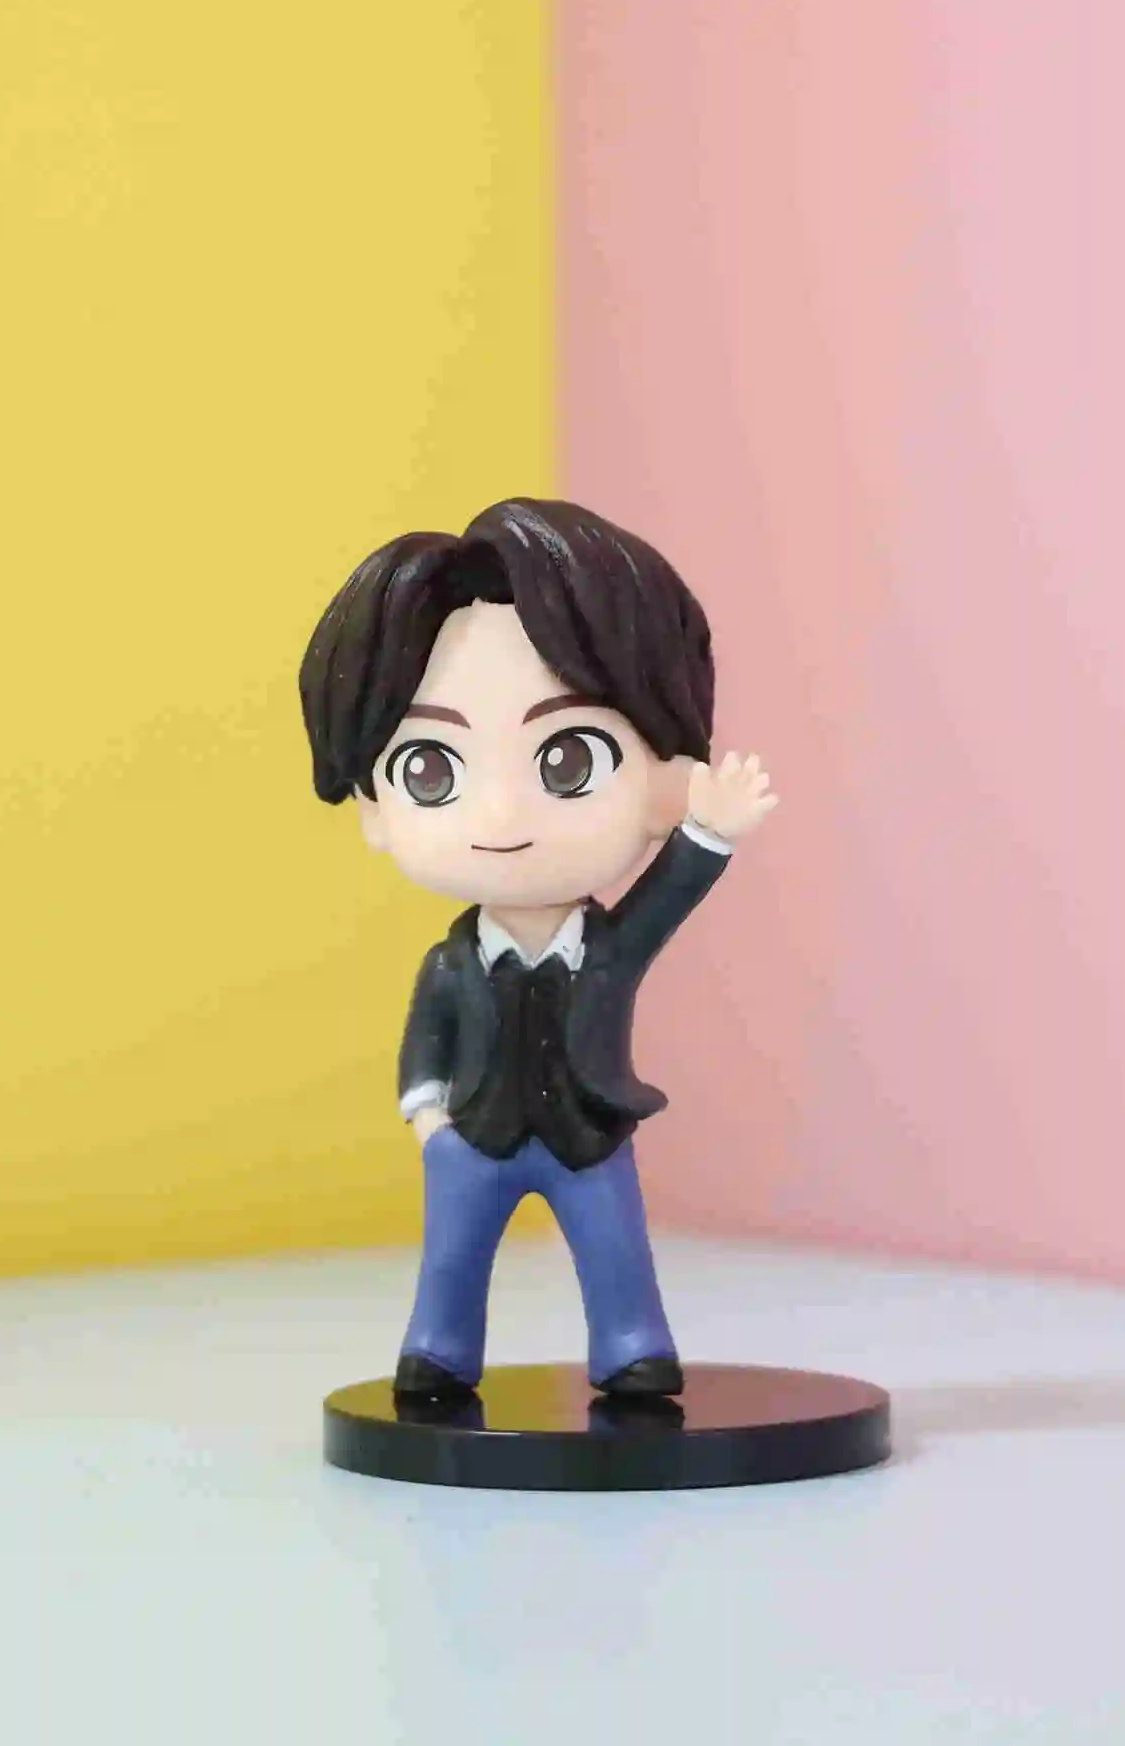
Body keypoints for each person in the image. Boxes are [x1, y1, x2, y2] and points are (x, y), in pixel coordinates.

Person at [299, 498, 777, 1399]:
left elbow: (668, 895)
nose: (501, 815)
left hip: (588, 1137)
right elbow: (424, 1045)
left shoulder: (609, 948)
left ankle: (632, 1346)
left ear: (664, 781)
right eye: (431, 769)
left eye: (567, 761)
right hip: (473, 1140)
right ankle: (438, 1351)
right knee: (451, 1256)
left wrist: (711, 829)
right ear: (372, 808)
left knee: (614, 1248)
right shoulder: (452, 965)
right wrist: (430, 1122)